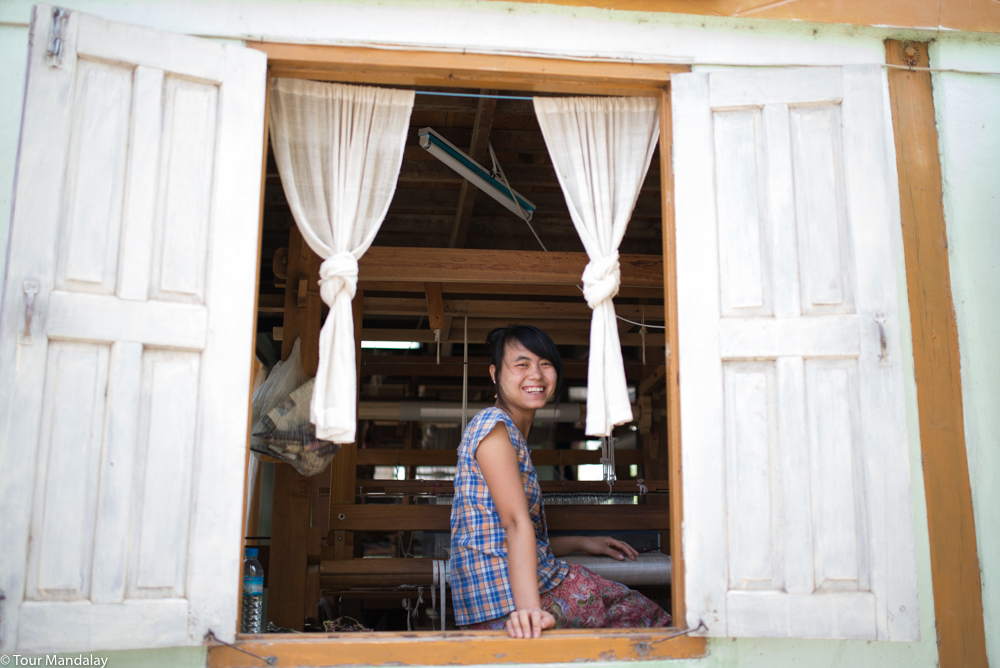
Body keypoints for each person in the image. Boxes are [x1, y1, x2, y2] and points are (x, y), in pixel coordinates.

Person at [450, 325, 671, 638]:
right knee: (651, 621)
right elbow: (515, 524)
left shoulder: (508, 433)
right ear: (495, 374)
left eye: (545, 364)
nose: (536, 375)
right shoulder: (493, 425)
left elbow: (502, 538)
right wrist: (528, 612)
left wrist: (583, 543)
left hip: (499, 602)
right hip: (513, 605)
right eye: (522, 364)